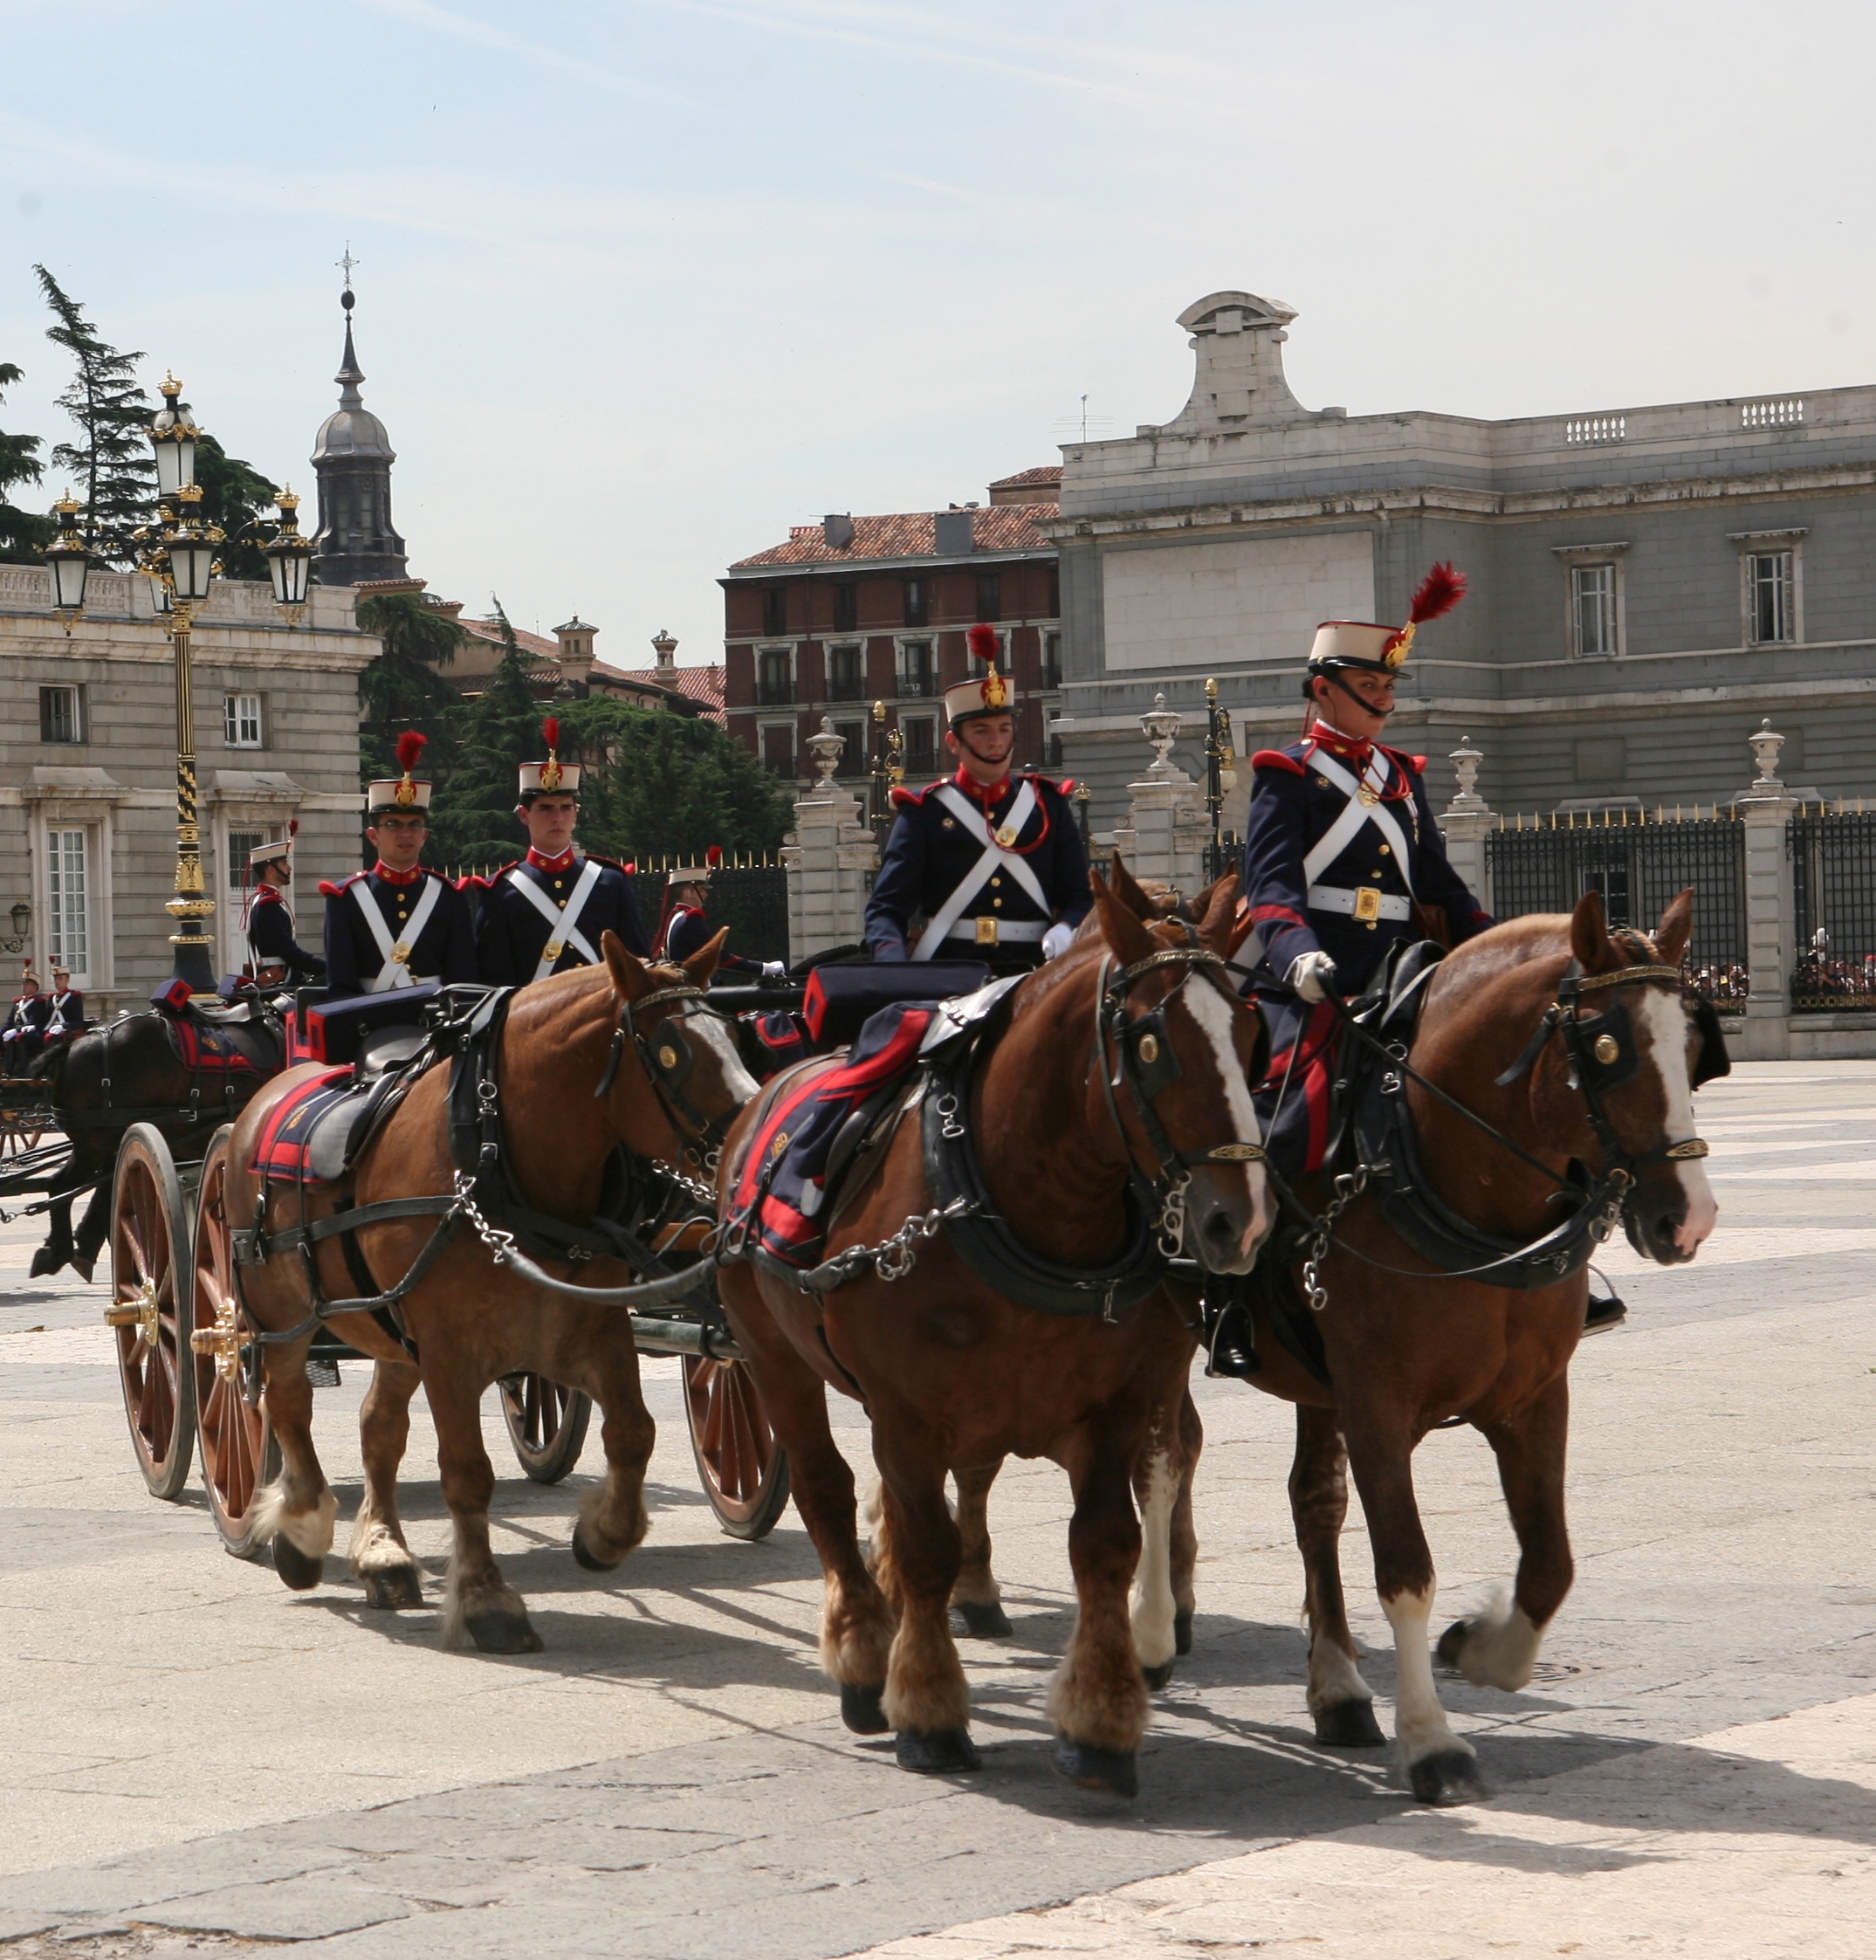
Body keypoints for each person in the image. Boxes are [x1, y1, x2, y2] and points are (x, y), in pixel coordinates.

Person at [864, 622, 1090, 973]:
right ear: (954, 742)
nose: (996, 741)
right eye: (981, 731)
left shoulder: (1048, 804)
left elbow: (1080, 896)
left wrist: (1066, 927)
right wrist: (894, 969)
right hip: (949, 969)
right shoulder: (925, 810)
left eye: (1004, 729)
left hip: (1035, 970)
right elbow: (886, 910)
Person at [472, 718, 652, 987]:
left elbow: (638, 962)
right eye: (545, 808)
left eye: (566, 807)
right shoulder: (499, 891)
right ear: (524, 814)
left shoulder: (609, 882)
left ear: (576, 813)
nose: (558, 817)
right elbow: (495, 978)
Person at [321, 732, 476, 1000]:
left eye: (414, 825)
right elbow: (341, 984)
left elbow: (462, 977)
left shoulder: (448, 896)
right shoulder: (345, 898)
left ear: (424, 835)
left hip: (436, 1019)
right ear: (373, 835)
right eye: (393, 824)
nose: (405, 834)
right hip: (369, 1020)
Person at [654, 847, 784, 978]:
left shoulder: (677, 916)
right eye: (702, 889)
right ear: (687, 892)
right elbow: (719, 957)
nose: (706, 894)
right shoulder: (691, 918)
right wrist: (765, 969)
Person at [244, 822, 326, 988]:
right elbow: (287, 951)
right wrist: (323, 967)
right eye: (284, 863)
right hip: (282, 978)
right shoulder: (268, 904)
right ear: (270, 870)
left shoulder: (263, 900)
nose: (289, 868)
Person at [2, 972, 49, 1071]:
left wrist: (16, 1031)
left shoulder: (39, 1003)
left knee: (20, 1037)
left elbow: (32, 1022)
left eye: (27, 984)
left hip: (32, 1034)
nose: (23, 986)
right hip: (17, 1032)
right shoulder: (18, 1003)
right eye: (23, 983)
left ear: (35, 987)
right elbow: (9, 1022)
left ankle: (22, 1070)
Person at [41, 966, 85, 1047]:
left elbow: (78, 1022)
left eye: (60, 978)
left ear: (67, 980)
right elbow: (47, 1019)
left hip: (69, 1033)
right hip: (52, 1031)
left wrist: (62, 1026)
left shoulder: (74, 996)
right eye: (55, 979)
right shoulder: (52, 998)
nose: (57, 981)